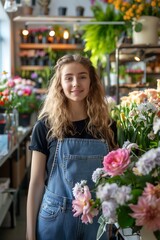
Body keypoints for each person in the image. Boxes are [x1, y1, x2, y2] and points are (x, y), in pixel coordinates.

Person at [26, 54, 117, 240]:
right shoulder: (45, 127)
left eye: (82, 76)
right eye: (69, 78)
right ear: (60, 83)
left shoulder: (107, 126)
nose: (76, 83)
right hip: (54, 218)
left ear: (91, 82)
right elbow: (35, 182)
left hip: (97, 220)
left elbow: (114, 178)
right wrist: (29, 232)